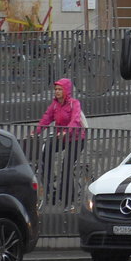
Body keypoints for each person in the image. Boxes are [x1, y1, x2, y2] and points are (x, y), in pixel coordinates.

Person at [34, 78, 87, 207]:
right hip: (62, 137)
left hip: (76, 139)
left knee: (67, 166)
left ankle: (68, 199)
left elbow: (75, 119)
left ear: (66, 90)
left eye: (60, 89)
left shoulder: (74, 104)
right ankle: (50, 187)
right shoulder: (55, 105)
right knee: (46, 152)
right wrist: (36, 132)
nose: (57, 92)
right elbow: (46, 118)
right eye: (56, 89)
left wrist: (66, 131)